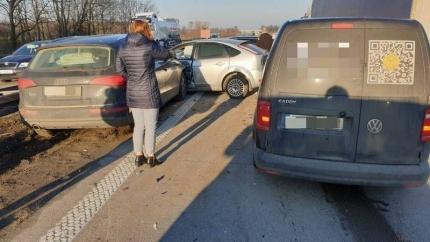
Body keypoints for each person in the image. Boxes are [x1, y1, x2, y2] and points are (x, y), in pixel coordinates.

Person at [116, 20, 172, 168]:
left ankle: (138, 156)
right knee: (151, 126)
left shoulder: (122, 46)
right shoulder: (149, 45)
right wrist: (157, 42)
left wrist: (132, 79)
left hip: (133, 92)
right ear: (145, 29)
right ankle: (151, 157)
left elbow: (119, 69)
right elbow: (165, 54)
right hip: (149, 91)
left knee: (139, 126)